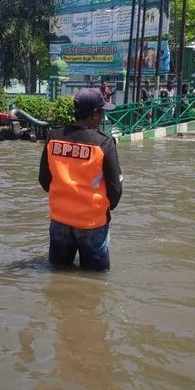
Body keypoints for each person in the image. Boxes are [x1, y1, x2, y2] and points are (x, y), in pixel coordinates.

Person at [38, 88, 123, 272]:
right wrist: (104, 208)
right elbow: (115, 188)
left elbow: (44, 179)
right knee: (95, 280)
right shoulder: (104, 143)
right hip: (92, 223)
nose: (103, 117)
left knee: (59, 274)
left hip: (59, 220)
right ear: (94, 113)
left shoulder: (53, 137)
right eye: (102, 112)